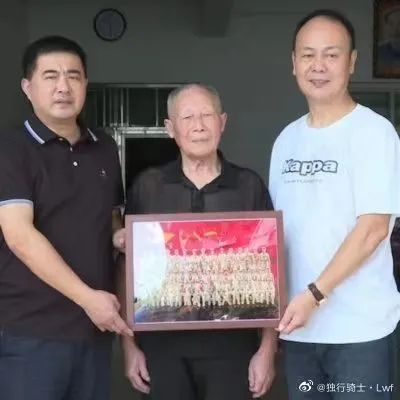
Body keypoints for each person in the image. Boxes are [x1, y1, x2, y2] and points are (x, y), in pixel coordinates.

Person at [269, 9, 400, 400]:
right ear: (293, 63)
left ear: (352, 62)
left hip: (360, 332)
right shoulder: (286, 141)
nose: (318, 66)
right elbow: (275, 233)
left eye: (331, 54)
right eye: (308, 55)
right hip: (299, 331)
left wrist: (314, 295)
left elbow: (373, 229)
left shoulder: (374, 133)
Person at [117, 83, 277, 400]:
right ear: (170, 129)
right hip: (162, 346)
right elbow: (127, 268)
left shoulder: (248, 185)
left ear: (223, 122)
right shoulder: (148, 186)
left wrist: (268, 349)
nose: (199, 126)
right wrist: (128, 345)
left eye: (207, 115)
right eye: (188, 117)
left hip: (233, 345)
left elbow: (270, 271)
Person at [0, 36, 132, 400]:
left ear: (85, 84)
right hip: (31, 333)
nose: (63, 86)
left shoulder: (104, 147)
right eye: (50, 76)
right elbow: (19, 235)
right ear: (27, 87)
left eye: (73, 76)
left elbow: (111, 219)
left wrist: (120, 236)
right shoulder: (11, 150)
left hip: (93, 331)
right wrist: (88, 298)